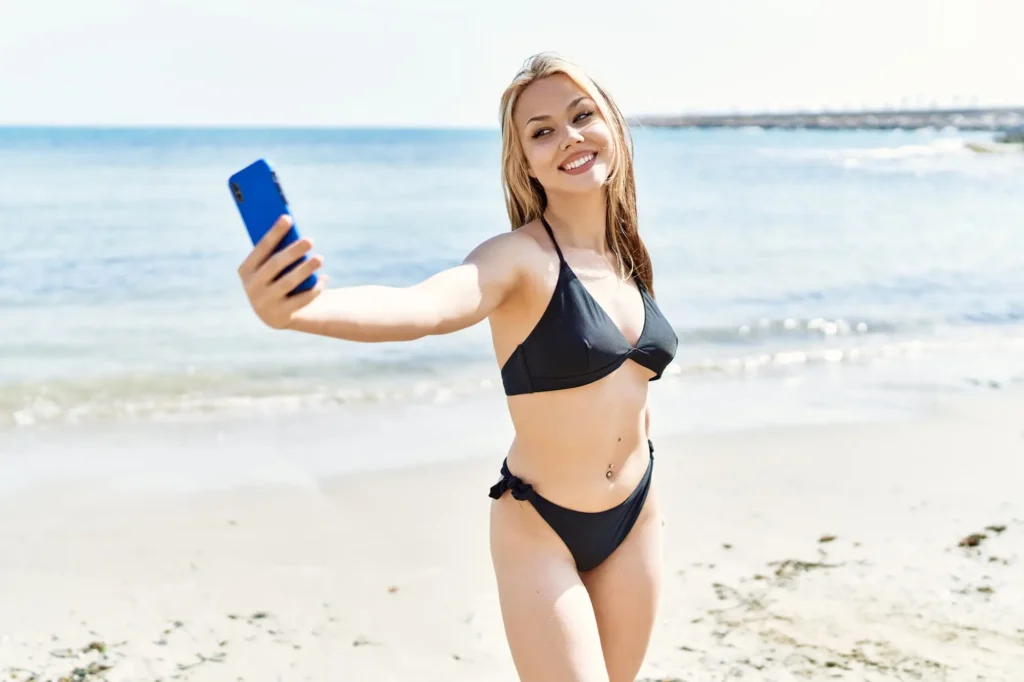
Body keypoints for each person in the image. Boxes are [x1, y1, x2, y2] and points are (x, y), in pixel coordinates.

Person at [236, 52, 678, 682]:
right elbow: (423, 306)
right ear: (523, 160)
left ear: (613, 125)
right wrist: (306, 310)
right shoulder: (516, 260)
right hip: (542, 526)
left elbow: (631, 389)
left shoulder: (627, 257)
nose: (570, 138)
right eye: (542, 131)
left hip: (636, 512)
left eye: (583, 116)